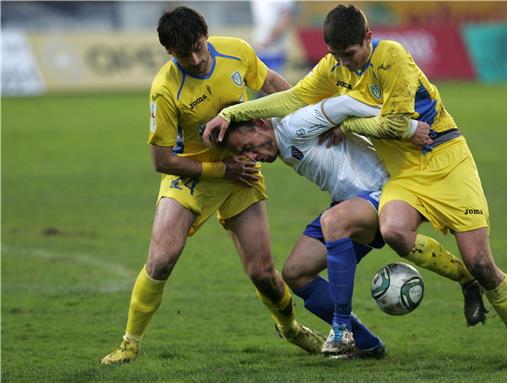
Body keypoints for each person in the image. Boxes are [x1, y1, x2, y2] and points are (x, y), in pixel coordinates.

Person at [203, 4, 507, 365]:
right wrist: (230, 113)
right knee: (374, 240)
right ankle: (367, 337)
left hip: (443, 157)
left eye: (349, 54)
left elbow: (393, 123)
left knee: (480, 260)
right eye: (335, 55)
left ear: (368, 37)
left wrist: (354, 123)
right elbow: (296, 97)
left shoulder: (392, 57)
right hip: (401, 172)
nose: (343, 63)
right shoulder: (333, 67)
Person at [100, 6, 324, 365]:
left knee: (263, 273)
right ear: (169, 53)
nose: (195, 58)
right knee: (161, 260)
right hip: (191, 174)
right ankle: (130, 343)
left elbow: (274, 86)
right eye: (183, 54)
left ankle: (291, 328)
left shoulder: (236, 51)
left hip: (242, 173)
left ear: (206, 35)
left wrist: (317, 117)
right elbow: (161, 161)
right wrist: (222, 171)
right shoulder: (165, 89)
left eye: (198, 47)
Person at [216, 94, 483, 358]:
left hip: (385, 191)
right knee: (297, 272)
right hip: (348, 202)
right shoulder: (279, 135)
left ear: (261, 124)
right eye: (244, 153)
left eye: (248, 147)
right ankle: (366, 344)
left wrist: (398, 126)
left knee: (334, 222)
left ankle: (342, 329)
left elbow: (344, 103)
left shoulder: (295, 124)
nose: (252, 157)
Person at [250, 0, 295, 76]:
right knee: (259, 80)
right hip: (260, 44)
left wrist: (270, 39)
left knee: (275, 80)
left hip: (275, 47)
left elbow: (286, 20)